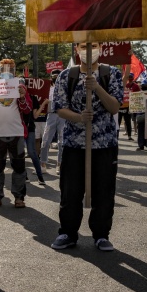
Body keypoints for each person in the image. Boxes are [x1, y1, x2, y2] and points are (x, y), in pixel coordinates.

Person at [51, 41, 123, 252]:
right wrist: (79, 117)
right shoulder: (67, 76)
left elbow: (114, 106)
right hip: (74, 143)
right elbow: (60, 108)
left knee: (104, 191)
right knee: (70, 191)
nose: (88, 50)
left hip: (105, 144)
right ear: (77, 50)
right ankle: (67, 232)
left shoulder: (112, 74)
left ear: (100, 49)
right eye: (83, 46)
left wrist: (97, 87)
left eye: (92, 45)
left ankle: (101, 234)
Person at [0, 59, 33, 209]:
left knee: (19, 166)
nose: (7, 71)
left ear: (15, 71)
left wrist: (22, 97)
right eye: (3, 68)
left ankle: (19, 197)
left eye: (10, 68)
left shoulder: (20, 87)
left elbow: (28, 109)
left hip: (16, 133)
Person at [20, 77, 46, 185]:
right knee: (20, 153)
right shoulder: (13, 99)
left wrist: (43, 104)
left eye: (22, 86)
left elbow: (35, 116)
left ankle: (40, 176)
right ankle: (24, 175)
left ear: (26, 87)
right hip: (18, 129)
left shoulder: (32, 98)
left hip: (29, 128)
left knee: (32, 152)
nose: (21, 89)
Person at [39, 68, 65, 168]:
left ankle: (60, 164)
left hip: (63, 116)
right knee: (45, 141)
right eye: (54, 76)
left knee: (62, 142)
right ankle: (43, 164)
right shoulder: (47, 89)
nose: (56, 78)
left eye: (58, 76)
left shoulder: (65, 88)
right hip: (51, 115)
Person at [121, 71, 140, 141]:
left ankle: (133, 132)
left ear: (133, 78)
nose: (130, 78)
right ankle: (126, 131)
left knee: (131, 119)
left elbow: (139, 94)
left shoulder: (136, 86)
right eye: (129, 77)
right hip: (124, 105)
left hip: (132, 105)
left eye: (131, 77)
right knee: (124, 120)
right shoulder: (124, 85)